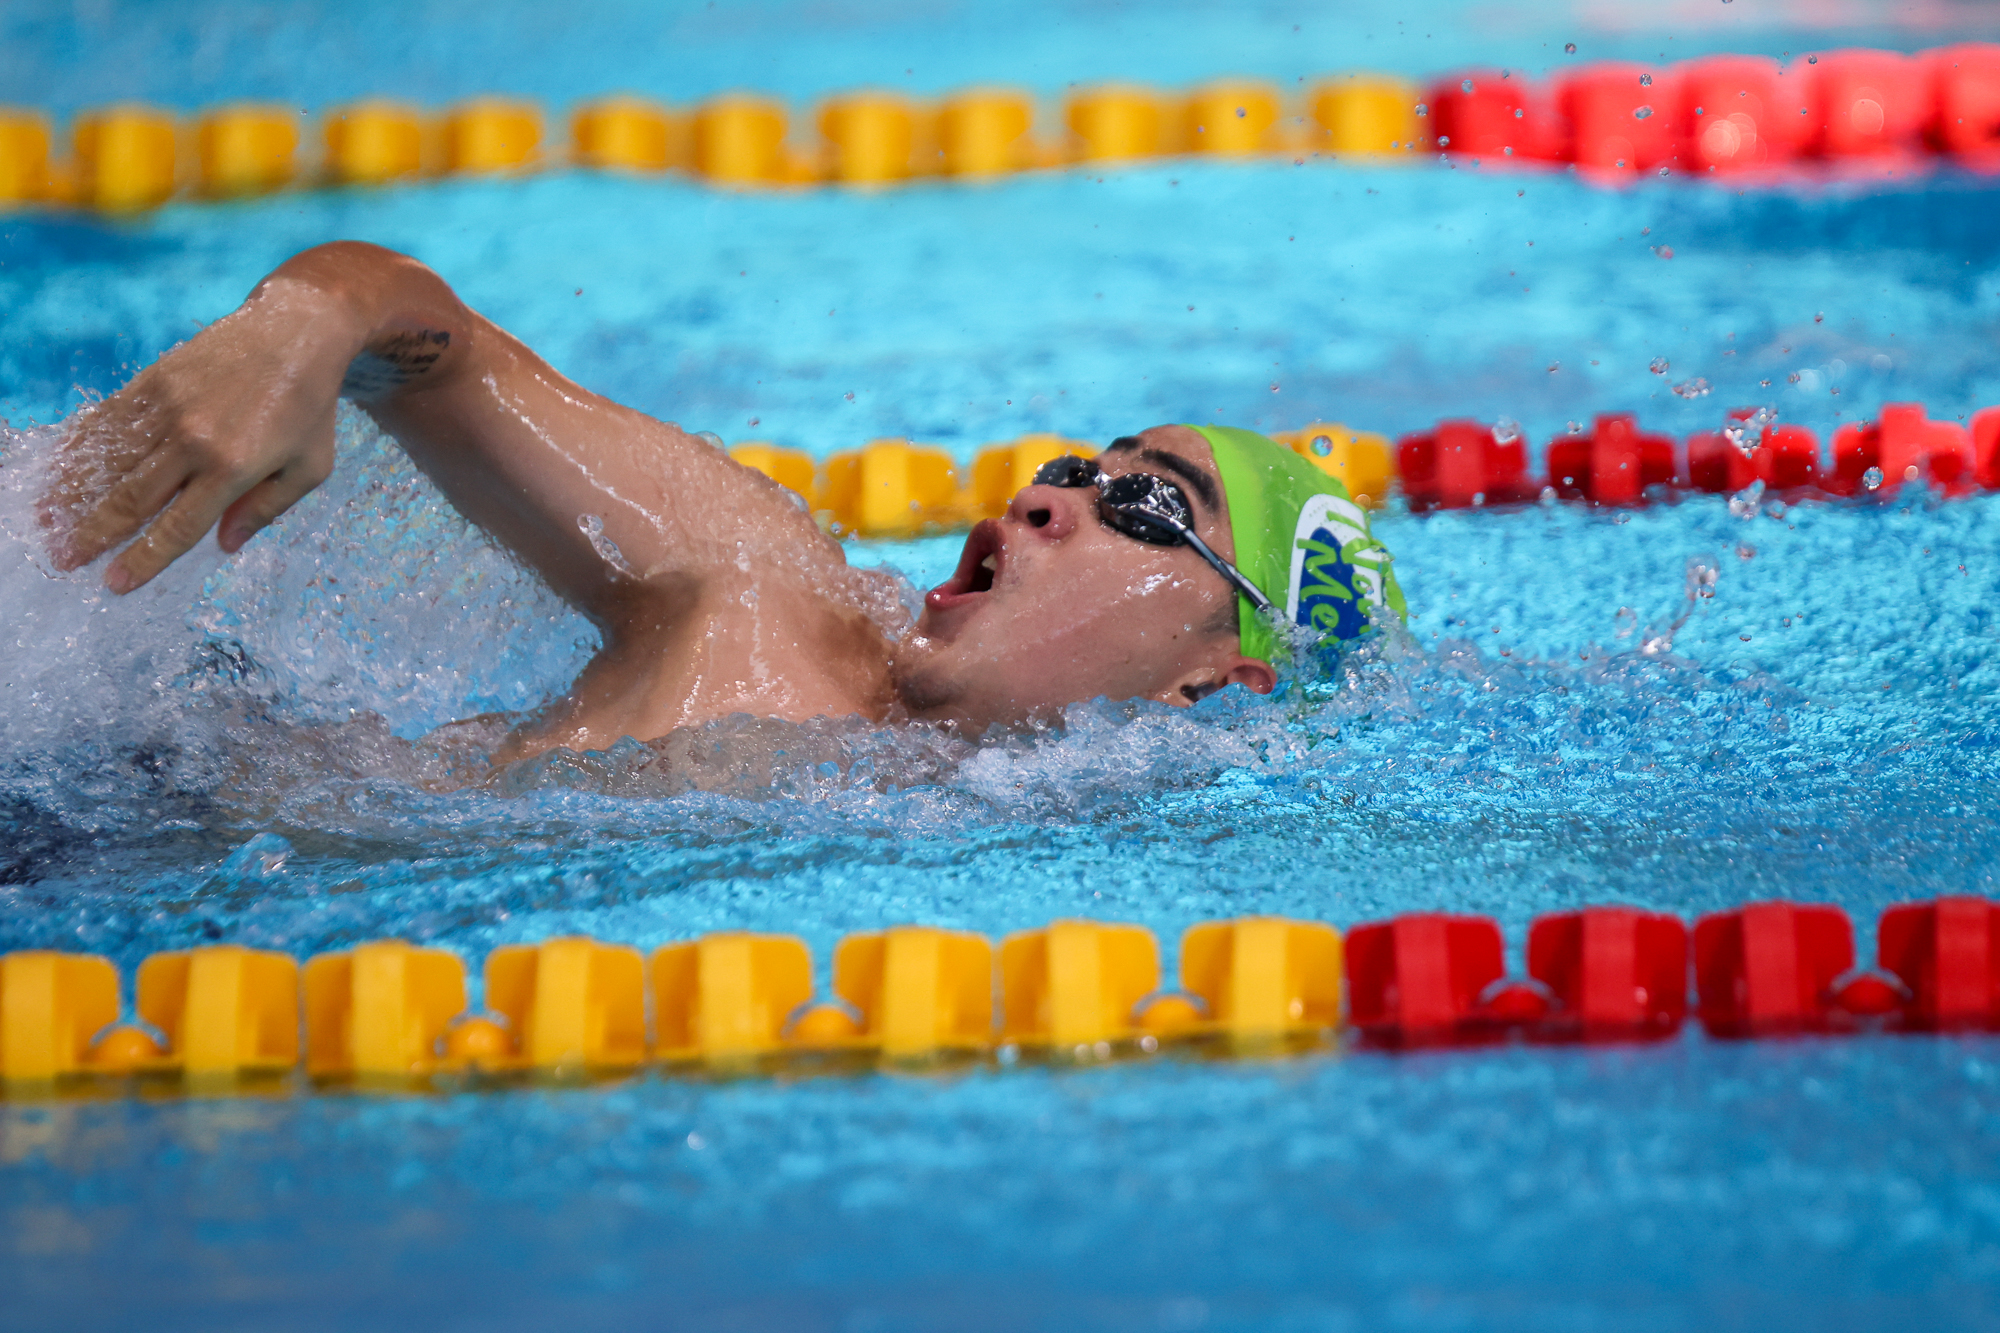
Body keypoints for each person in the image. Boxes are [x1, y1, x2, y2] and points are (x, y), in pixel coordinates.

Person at [42, 242, 1403, 762]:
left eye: (1149, 510)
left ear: (1209, 687)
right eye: (1074, 473)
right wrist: (307, 322)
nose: (1055, 500)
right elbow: (434, 347)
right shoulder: (771, 596)